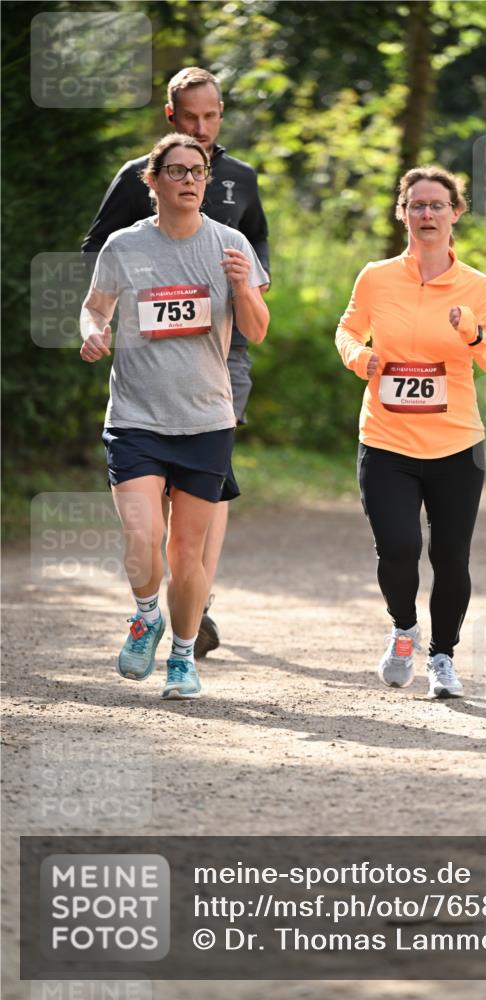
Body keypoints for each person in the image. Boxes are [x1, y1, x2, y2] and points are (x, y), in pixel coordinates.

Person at [82, 66, 270, 660]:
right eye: (190, 118)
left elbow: (259, 248)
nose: (202, 127)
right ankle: (159, 599)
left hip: (224, 351)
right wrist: (104, 321)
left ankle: (195, 603)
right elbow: (97, 257)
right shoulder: (137, 183)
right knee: (147, 523)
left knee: (206, 492)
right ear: (170, 117)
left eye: (211, 117)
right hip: (147, 358)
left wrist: (246, 288)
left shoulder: (239, 179)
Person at [335, 165, 486, 699]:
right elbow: (347, 329)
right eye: (417, 205)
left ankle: (442, 657)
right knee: (396, 546)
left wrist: (474, 333)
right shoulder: (375, 276)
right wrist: (358, 356)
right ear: (403, 213)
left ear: (456, 213)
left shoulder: (478, 287)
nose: (427, 214)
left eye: (438, 205)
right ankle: (404, 630)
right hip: (386, 440)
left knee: (450, 558)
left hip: (457, 445)